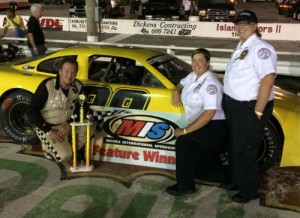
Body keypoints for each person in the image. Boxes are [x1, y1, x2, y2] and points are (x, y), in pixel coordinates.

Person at [222, 10, 277, 203]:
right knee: (235, 147)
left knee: (245, 150)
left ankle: (248, 191)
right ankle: (237, 181)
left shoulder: (261, 49)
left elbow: (268, 81)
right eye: (238, 23)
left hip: (249, 108)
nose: (240, 26)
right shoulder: (242, 45)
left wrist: (258, 112)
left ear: (254, 26)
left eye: (245, 23)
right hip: (235, 106)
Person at [165, 48, 228, 196]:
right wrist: (176, 91)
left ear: (207, 62)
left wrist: (185, 131)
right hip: (202, 124)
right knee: (202, 165)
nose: (196, 64)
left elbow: (209, 113)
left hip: (215, 126)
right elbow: (180, 84)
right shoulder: (193, 76)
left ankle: (185, 185)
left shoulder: (210, 84)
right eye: (194, 60)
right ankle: (226, 177)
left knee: (183, 142)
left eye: (200, 60)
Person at [26, 57, 86, 163]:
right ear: (59, 72)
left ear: (76, 74)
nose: (69, 75)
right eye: (66, 71)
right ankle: (48, 148)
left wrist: (69, 123)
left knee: (91, 128)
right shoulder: (47, 85)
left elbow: (83, 107)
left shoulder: (78, 86)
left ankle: (66, 145)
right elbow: (31, 111)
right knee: (64, 156)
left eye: (73, 73)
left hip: (67, 125)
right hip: (49, 126)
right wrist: (48, 131)